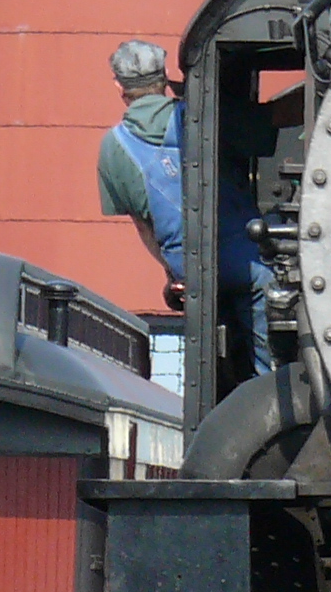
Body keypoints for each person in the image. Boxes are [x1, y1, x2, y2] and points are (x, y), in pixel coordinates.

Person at [97, 40, 274, 372]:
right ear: (164, 78)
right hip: (247, 262)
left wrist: (174, 273)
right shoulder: (204, 116)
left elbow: (143, 226)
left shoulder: (113, 147)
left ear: (119, 86)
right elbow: (271, 123)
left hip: (190, 271)